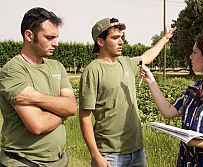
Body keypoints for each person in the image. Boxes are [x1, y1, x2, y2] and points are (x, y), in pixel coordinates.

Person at [79, 17, 176, 167]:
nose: (121, 42)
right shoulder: (93, 71)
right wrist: (96, 155)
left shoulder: (126, 62)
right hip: (109, 154)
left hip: (137, 152)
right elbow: (85, 117)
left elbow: (147, 57)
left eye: (121, 37)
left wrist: (165, 38)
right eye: (115, 37)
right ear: (100, 42)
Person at [140, 30, 203, 166]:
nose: (190, 57)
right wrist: (151, 81)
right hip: (185, 161)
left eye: (195, 52)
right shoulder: (194, 88)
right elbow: (168, 111)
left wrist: (193, 141)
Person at [0, 7, 77, 167]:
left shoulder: (57, 66)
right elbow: (37, 125)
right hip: (23, 162)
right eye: (49, 37)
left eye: (56, 37)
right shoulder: (13, 70)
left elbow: (71, 106)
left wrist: (36, 97)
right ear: (29, 35)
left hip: (59, 161)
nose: (56, 43)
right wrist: (63, 112)